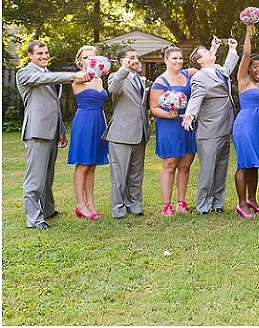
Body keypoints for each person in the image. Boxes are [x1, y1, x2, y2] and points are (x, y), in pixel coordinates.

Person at [16, 40, 89, 229]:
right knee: (35, 178)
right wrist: (74, 75)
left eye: (46, 53)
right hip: (36, 132)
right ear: (30, 56)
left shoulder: (48, 73)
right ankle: (34, 219)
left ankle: (48, 211)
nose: (44, 56)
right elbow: (45, 80)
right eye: (39, 54)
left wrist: (61, 131)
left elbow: (54, 106)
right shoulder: (25, 73)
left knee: (48, 176)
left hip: (51, 132)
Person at [182, 36, 239, 215]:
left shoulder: (217, 70)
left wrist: (232, 50)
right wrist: (190, 115)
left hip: (224, 127)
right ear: (199, 60)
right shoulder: (199, 78)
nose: (210, 52)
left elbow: (228, 69)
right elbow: (196, 98)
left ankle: (217, 203)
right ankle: (202, 205)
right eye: (206, 52)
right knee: (208, 169)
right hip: (209, 130)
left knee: (221, 167)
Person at [149, 45, 199, 216]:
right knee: (170, 164)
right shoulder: (160, 82)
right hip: (169, 125)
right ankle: (166, 204)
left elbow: (205, 65)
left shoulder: (187, 74)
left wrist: (214, 49)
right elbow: (154, 107)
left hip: (187, 123)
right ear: (166, 60)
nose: (178, 61)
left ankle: (182, 202)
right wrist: (168, 114)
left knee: (186, 164)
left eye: (180, 58)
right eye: (174, 58)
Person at [103, 46, 150, 219]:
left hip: (140, 132)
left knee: (136, 173)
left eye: (136, 57)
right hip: (121, 133)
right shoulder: (116, 77)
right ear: (122, 61)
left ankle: (135, 204)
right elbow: (113, 90)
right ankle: (118, 208)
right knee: (119, 174)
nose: (135, 60)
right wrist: (124, 69)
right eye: (131, 57)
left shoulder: (140, 79)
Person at [232, 24, 259, 218]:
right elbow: (246, 54)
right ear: (249, 68)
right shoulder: (244, 80)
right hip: (245, 125)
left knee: (254, 164)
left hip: (258, 127)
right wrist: (248, 31)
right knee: (244, 164)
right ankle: (241, 204)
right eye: (256, 66)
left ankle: (252, 199)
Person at [67, 45, 110, 220]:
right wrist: (84, 75)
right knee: (83, 163)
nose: (89, 61)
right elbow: (75, 78)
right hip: (84, 122)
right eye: (85, 58)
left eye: (93, 58)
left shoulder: (99, 80)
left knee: (92, 164)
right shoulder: (79, 77)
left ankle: (91, 204)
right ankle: (81, 205)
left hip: (99, 121)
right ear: (80, 61)